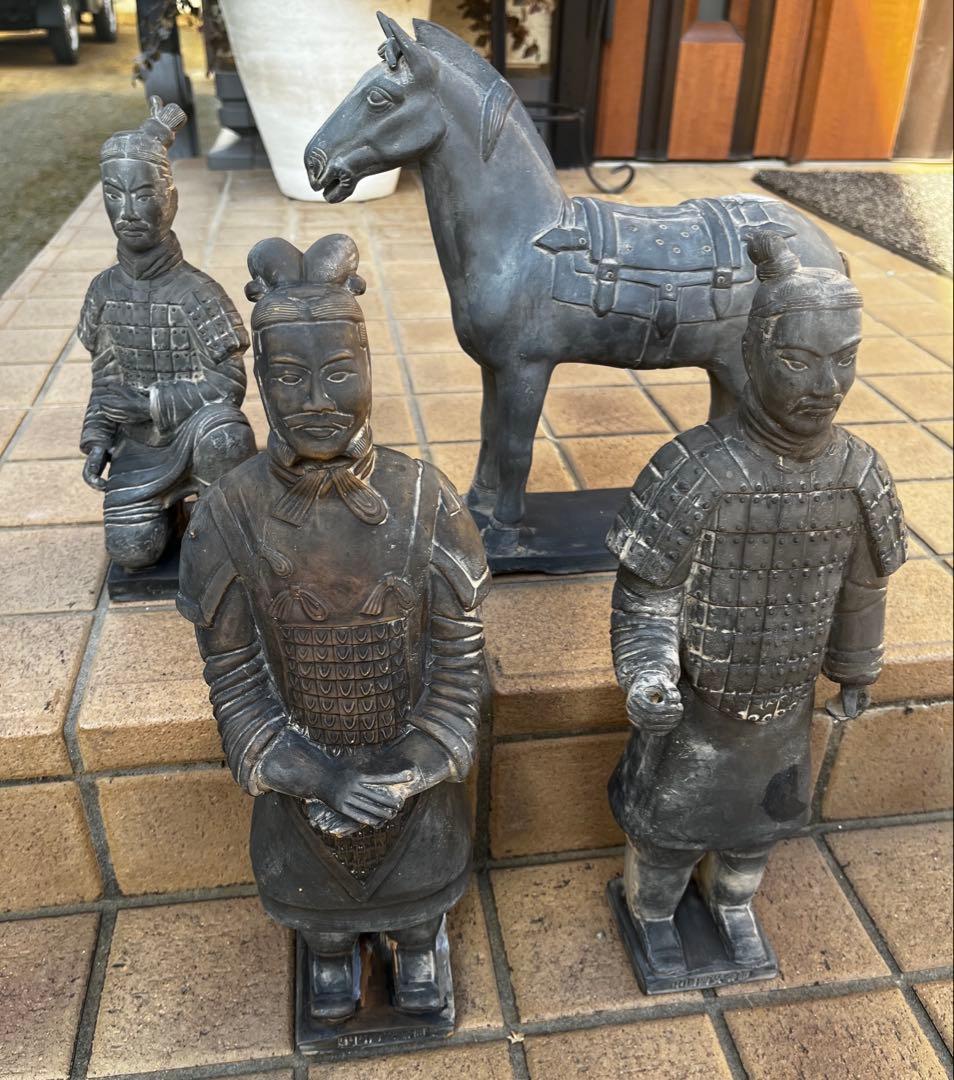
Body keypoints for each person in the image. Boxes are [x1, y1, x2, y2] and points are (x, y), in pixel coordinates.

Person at [177, 233, 490, 1022]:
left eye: (340, 372)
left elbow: (459, 669)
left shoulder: (426, 499)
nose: (316, 398)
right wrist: (320, 778)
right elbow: (236, 684)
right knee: (316, 917)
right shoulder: (227, 514)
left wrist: (408, 771)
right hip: (302, 784)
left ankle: (418, 940)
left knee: (420, 901)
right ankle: (327, 949)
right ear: (259, 381)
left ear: (371, 371)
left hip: (411, 778)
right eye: (288, 376)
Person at [605, 229, 906, 980]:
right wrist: (648, 675)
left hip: (784, 709)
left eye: (844, 359)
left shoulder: (860, 473)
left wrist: (856, 667)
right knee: (667, 837)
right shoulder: (694, 470)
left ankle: (734, 906)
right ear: (753, 354)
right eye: (799, 360)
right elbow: (647, 599)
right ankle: (653, 915)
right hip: (696, 713)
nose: (826, 384)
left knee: (756, 836)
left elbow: (862, 588)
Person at [79, 96, 255, 570]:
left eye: (144, 194)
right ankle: (167, 517)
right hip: (140, 447)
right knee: (133, 551)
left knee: (227, 433)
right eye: (114, 195)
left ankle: (223, 521)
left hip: (198, 437)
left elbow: (228, 385)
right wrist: (98, 439)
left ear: (171, 201)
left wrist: (152, 404)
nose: (128, 211)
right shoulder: (102, 292)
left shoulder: (198, 292)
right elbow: (105, 382)